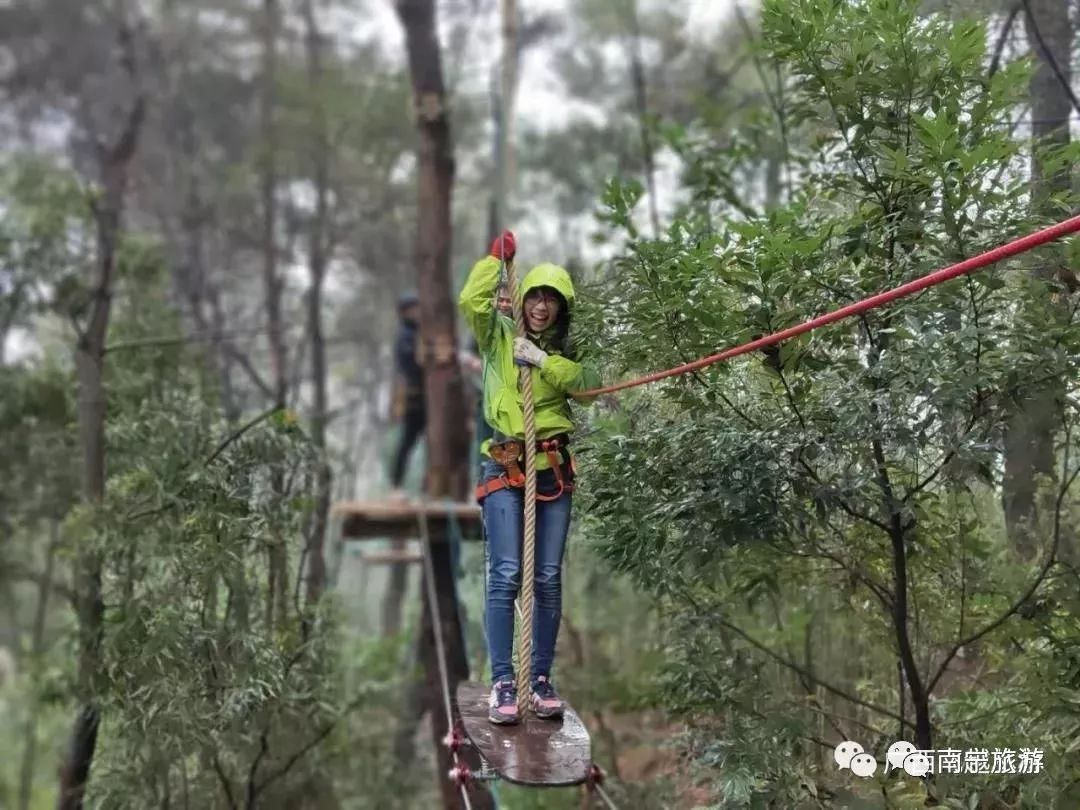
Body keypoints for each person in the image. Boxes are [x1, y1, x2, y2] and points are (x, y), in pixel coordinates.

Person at [458, 229, 600, 725]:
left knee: (546, 577)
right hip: (505, 465)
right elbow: (470, 300)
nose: (541, 307)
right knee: (505, 574)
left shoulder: (566, 351)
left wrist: (542, 359)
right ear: (523, 299)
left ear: (562, 309)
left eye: (551, 300)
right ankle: (504, 680)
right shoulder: (498, 336)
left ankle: (538, 678)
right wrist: (496, 262)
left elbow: (588, 386)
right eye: (535, 296)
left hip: (553, 471)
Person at [388, 290, 424, 497]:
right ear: (405, 312)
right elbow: (412, 364)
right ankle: (396, 485)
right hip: (413, 397)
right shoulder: (405, 336)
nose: (417, 312)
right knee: (407, 441)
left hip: (421, 396)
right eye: (413, 309)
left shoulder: (416, 332)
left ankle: (422, 485)